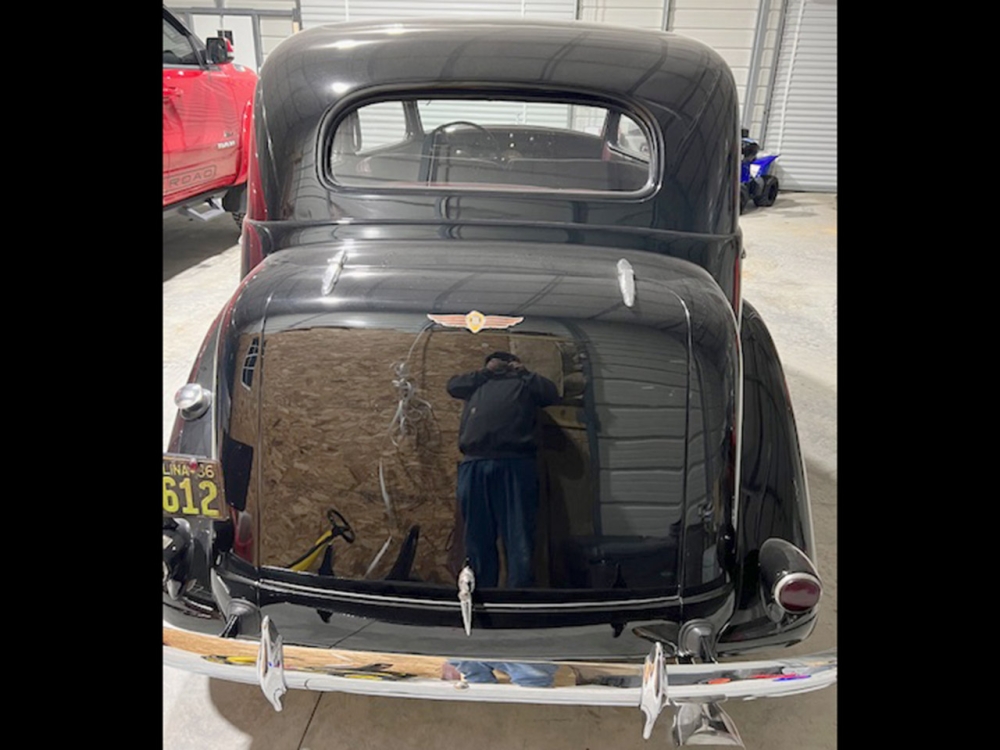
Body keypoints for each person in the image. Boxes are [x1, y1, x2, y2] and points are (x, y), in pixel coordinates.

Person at [447, 351, 559, 588]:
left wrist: (523, 372)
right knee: (477, 535)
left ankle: (519, 596)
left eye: (506, 362)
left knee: (519, 535)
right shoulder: (477, 383)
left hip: (516, 463)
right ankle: (481, 592)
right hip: (475, 462)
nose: (502, 366)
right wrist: (485, 372)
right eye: (496, 362)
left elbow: (551, 394)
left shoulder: (525, 383)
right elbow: (453, 386)